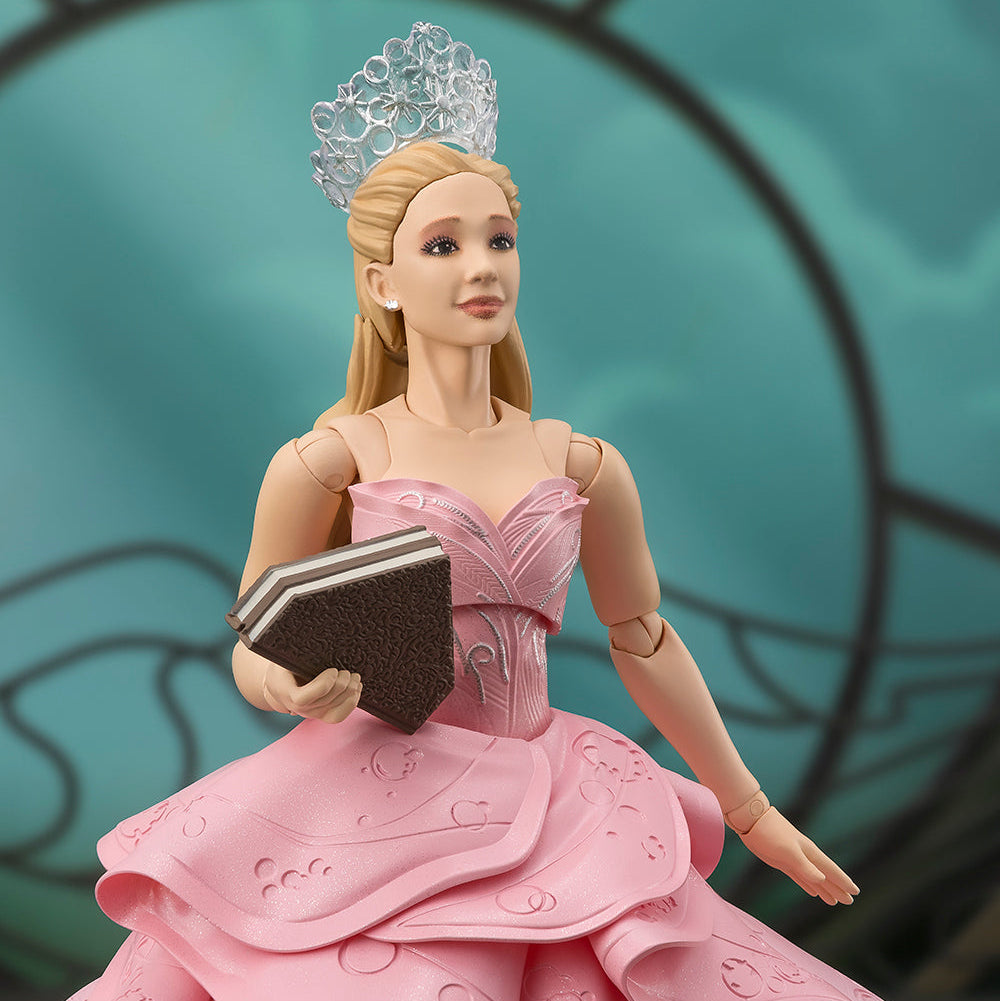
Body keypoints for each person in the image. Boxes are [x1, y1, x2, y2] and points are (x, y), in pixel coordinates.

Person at [69, 25, 882, 1001]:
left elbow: (644, 636)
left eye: (499, 239)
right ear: (382, 281)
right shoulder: (330, 461)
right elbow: (255, 637)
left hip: (559, 795)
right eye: (443, 245)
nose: (481, 266)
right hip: (375, 797)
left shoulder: (580, 462)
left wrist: (750, 811)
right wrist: (290, 681)